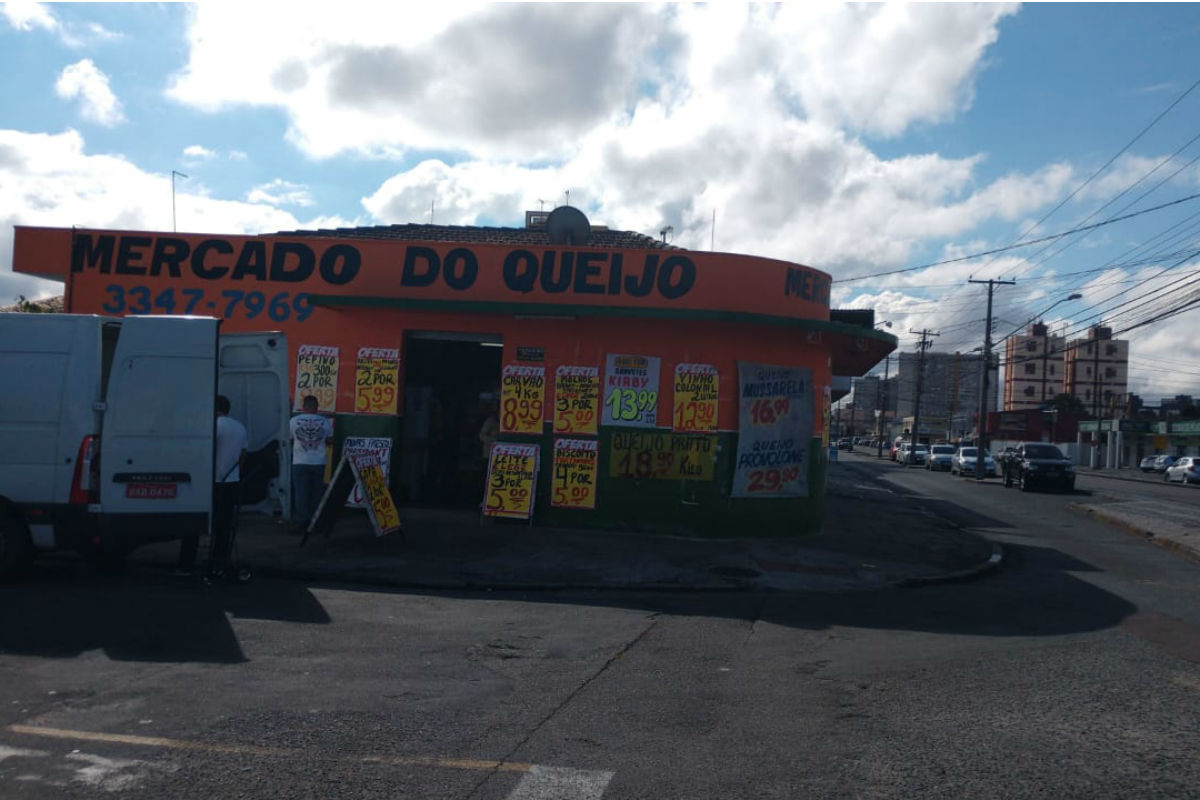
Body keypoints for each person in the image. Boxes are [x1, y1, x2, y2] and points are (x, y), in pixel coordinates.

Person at [209, 394, 248, 580]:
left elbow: (210, 450)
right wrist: (235, 473)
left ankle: (211, 558)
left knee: (212, 522)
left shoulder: (214, 426)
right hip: (232, 481)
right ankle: (221, 558)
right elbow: (243, 455)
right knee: (225, 523)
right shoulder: (240, 427)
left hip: (214, 481)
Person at [290, 394, 334, 532]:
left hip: (300, 462)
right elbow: (330, 440)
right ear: (317, 407)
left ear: (303, 407)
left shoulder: (293, 421)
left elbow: (290, 438)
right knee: (316, 493)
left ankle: (303, 522)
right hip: (318, 462)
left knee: (301, 493)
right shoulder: (324, 421)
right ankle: (316, 521)